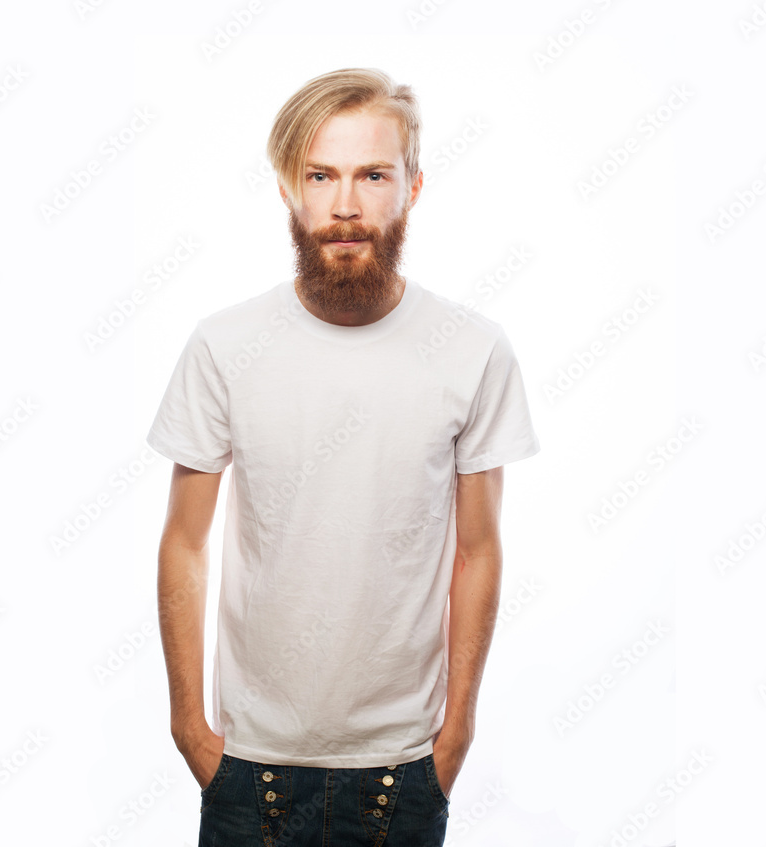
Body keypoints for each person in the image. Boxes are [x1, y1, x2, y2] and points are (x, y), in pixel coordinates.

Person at [147, 67, 540, 846]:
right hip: (249, 768)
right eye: (320, 175)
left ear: (413, 188)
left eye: (373, 175)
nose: (346, 204)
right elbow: (185, 541)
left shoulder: (472, 350)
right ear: (289, 188)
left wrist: (454, 733)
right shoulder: (225, 345)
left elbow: (480, 549)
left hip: (402, 771)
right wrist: (191, 728)